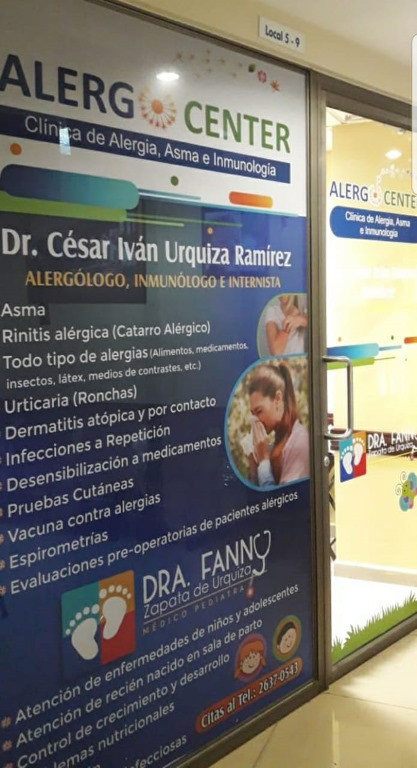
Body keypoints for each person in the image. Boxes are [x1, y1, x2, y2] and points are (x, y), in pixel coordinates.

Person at [247, 362, 309, 486]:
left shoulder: (299, 441)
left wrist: (264, 461)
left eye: (259, 411)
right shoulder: (276, 443)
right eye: (253, 414)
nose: (255, 420)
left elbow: (282, 497)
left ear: (277, 399)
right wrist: (254, 467)